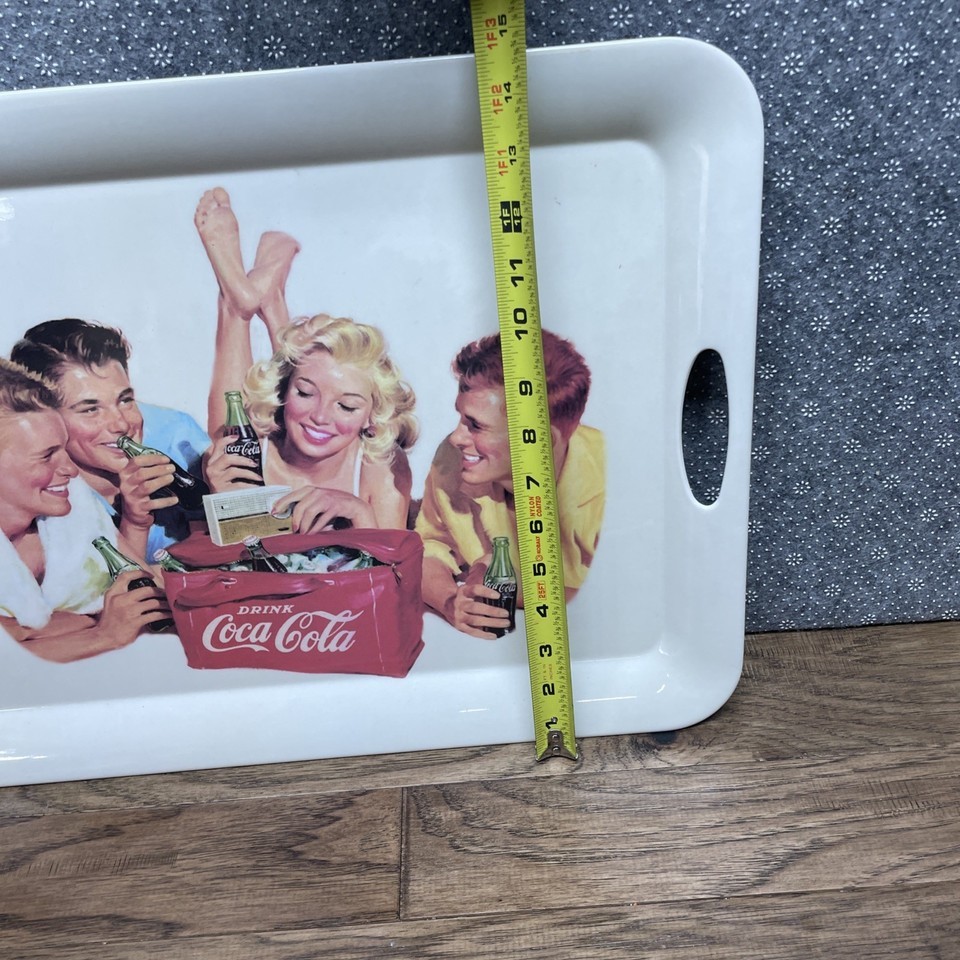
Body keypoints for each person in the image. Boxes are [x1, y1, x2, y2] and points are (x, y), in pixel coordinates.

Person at [195, 187, 417, 531]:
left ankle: (248, 303)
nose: (320, 417)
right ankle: (239, 307)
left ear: (372, 417)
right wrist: (226, 501)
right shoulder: (244, 456)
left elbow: (393, 564)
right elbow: (241, 557)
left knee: (236, 428)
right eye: (304, 393)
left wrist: (358, 511)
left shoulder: (382, 467)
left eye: (347, 406)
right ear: (285, 392)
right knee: (227, 439)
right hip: (256, 459)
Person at [415, 330, 605, 639]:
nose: (456, 438)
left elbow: (615, 593)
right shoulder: (452, 461)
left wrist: (509, 587)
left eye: (475, 426)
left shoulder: (609, 484)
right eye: (461, 418)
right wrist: (450, 601)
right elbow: (430, 548)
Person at [0, 359, 169, 662]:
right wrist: (102, 634)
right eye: (46, 456)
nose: (71, 470)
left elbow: (142, 592)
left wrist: (37, 632)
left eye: (63, 448)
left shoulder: (75, 503)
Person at [10, 318, 211, 561]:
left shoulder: (176, 433)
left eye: (125, 400)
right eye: (90, 409)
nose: (121, 424)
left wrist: (227, 499)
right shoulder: (42, 490)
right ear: (47, 419)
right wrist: (135, 522)